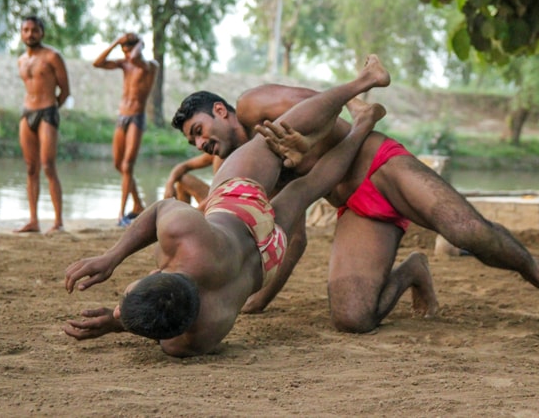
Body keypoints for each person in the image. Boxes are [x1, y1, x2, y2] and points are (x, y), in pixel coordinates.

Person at [63, 56, 436, 357]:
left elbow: (164, 331)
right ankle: (364, 86)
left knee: (308, 187)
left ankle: (361, 124)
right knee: (278, 141)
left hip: (266, 258)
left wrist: (119, 321)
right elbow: (162, 209)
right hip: (241, 210)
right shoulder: (184, 238)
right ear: (160, 275)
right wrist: (112, 259)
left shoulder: (197, 338)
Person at [170, 83, 539, 333]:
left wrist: (360, 111)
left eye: (199, 131)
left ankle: (537, 269)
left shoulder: (256, 105)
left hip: (379, 164)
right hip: (354, 208)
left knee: (465, 231)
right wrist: (260, 298)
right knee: (353, 318)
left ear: (221, 112)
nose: (201, 143)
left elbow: (326, 100)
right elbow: (290, 235)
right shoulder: (242, 170)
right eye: (194, 142)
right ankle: (413, 271)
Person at [93, 33, 158, 226]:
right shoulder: (125, 64)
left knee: (127, 165)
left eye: (128, 48)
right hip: (122, 117)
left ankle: (120, 214)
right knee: (118, 164)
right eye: (124, 49)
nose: (127, 53)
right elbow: (97, 63)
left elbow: (135, 58)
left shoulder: (150, 66)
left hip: (137, 118)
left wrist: (139, 43)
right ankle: (138, 204)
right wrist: (115, 42)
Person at [16, 16, 70, 234]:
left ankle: (58, 222)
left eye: (34, 30)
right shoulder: (21, 60)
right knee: (31, 168)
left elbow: (65, 91)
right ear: (21, 33)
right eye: (26, 30)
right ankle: (33, 220)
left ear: (42, 33)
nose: (30, 34)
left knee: (48, 165)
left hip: (47, 112)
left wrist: (52, 108)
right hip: (26, 113)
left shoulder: (52, 56)